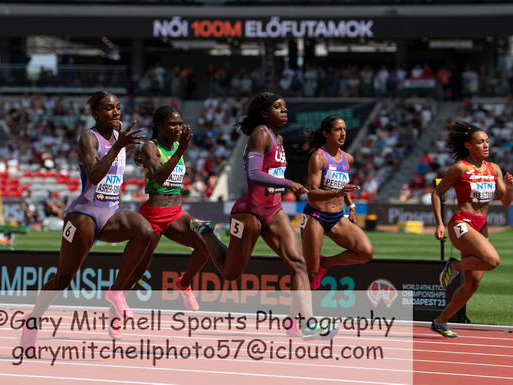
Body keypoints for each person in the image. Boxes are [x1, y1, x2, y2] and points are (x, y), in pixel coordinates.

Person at [190, 92, 338, 340]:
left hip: (275, 210)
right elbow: (254, 174)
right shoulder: (261, 134)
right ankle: (207, 232)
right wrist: (287, 182)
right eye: (277, 107)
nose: (284, 110)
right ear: (263, 113)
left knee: (298, 264)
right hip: (250, 211)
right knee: (230, 273)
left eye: (285, 106)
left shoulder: (279, 139)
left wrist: (283, 185)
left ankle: (307, 322)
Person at [21, 91, 153, 349]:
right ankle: (32, 320)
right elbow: (93, 175)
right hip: (84, 213)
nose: (115, 112)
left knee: (144, 231)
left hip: (111, 212)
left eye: (117, 107)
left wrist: (138, 154)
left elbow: (123, 165)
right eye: (108, 108)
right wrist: (118, 147)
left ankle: (116, 293)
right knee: (63, 279)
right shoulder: (88, 138)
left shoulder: (120, 135)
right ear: (95, 113)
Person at [430, 121, 513, 338]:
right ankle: (455, 266)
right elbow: (437, 193)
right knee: (492, 261)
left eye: (487, 141)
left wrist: (510, 188)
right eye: (480, 142)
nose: (486, 145)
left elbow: (506, 202)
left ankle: (440, 322)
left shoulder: (494, 168)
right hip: (461, 223)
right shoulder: (460, 168)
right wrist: (439, 222)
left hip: (480, 227)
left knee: (472, 285)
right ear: (468, 145)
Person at [128, 106, 209, 320]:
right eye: (173, 124)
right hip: (153, 215)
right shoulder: (150, 148)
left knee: (206, 245)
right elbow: (159, 178)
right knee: (139, 269)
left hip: (176, 214)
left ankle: (184, 283)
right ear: (159, 125)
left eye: (180, 124)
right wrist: (181, 152)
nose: (178, 128)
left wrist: (180, 150)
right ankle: (117, 305)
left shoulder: (178, 146)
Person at [299, 115, 374, 290]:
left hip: (337, 218)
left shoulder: (348, 159)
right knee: (310, 271)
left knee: (366, 253)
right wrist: (336, 193)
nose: (343, 133)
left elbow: (343, 185)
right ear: (326, 133)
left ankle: (324, 264)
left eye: (345, 130)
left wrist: (351, 206)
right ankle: (301, 314)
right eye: (338, 130)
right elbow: (312, 194)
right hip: (315, 216)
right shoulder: (319, 158)